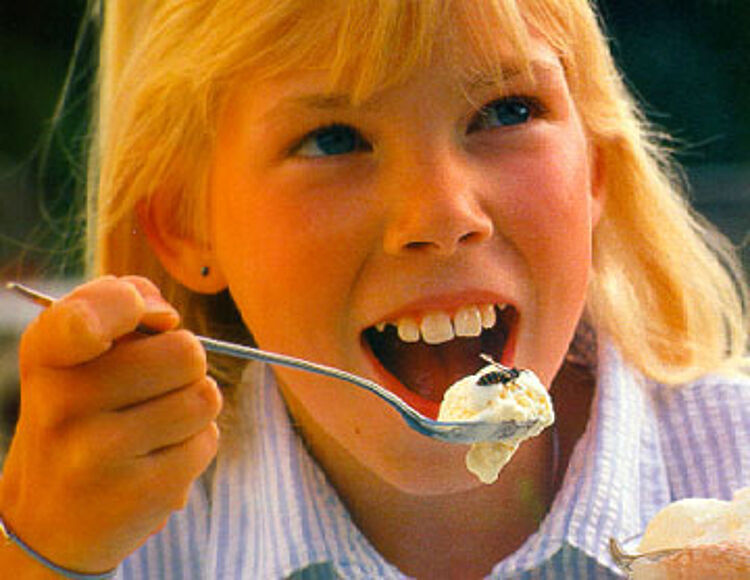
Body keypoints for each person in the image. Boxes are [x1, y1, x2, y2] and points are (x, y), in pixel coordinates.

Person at [1, 0, 748, 578]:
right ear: (188, 227)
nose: (443, 216)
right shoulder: (118, 544)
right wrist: (39, 556)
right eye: (334, 139)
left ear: (595, 169)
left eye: (507, 111)